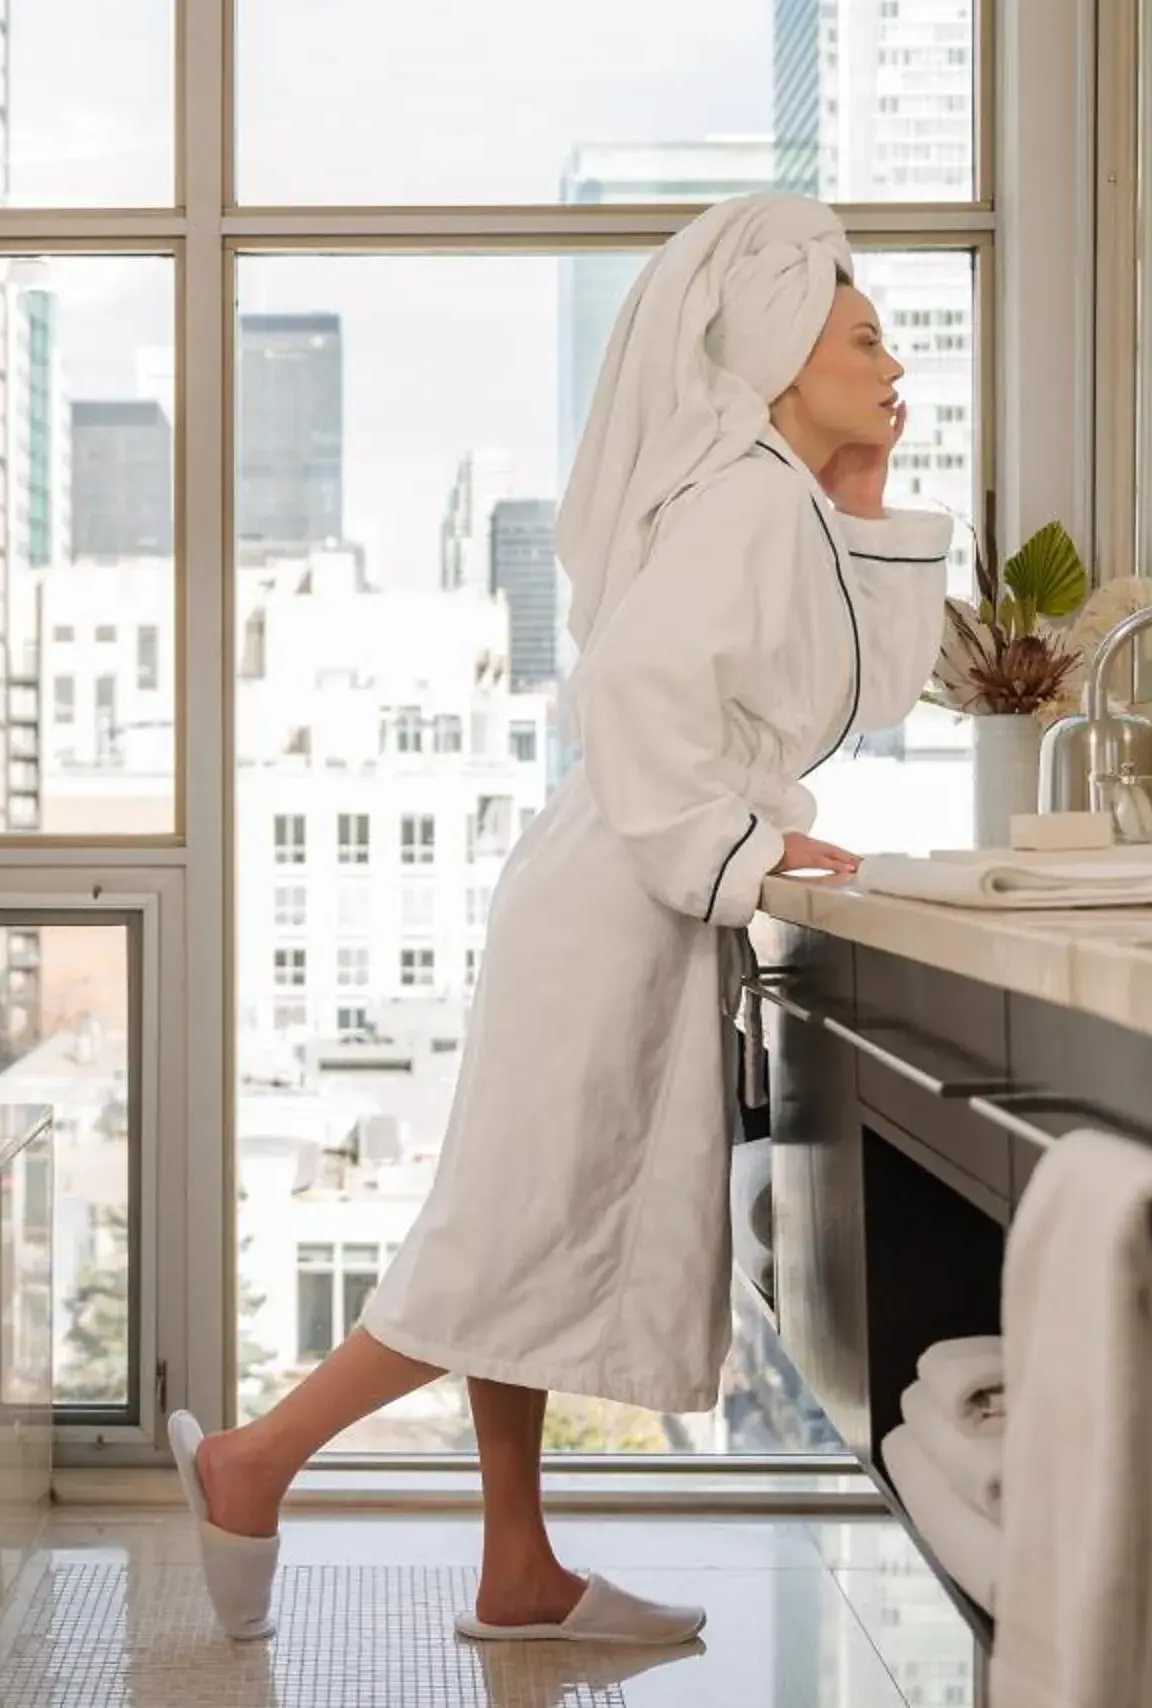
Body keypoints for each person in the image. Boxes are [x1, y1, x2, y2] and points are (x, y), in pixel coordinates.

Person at [168, 195, 952, 1645]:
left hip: (606, 881)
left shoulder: (769, 486)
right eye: (865, 338)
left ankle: (516, 1566)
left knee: (519, 1225)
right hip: (622, 893)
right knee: (504, 1235)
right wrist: (745, 842)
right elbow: (641, 691)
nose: (894, 362)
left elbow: (857, 689)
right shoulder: (744, 495)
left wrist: (859, 494)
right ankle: (253, 1460)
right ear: (780, 349)